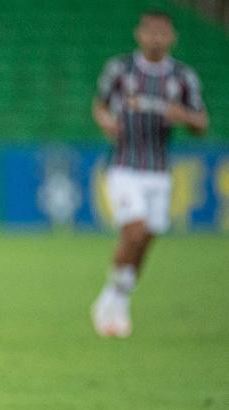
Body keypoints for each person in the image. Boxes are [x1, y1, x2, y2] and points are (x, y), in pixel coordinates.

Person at [91, 11, 208, 338]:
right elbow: (100, 105)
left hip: (159, 170)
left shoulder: (182, 77)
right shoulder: (120, 70)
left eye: (162, 33)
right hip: (124, 165)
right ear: (139, 34)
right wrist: (105, 121)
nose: (156, 38)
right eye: (150, 32)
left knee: (146, 239)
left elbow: (202, 124)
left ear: (172, 37)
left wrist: (182, 115)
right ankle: (110, 300)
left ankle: (117, 297)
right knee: (135, 229)